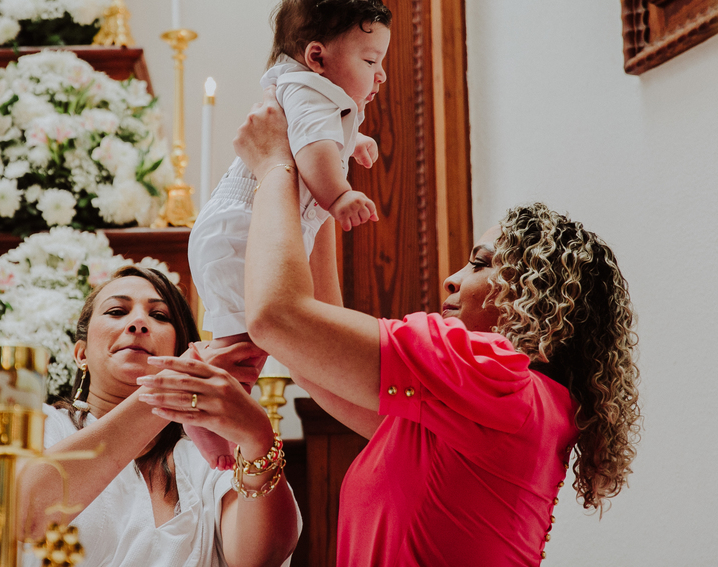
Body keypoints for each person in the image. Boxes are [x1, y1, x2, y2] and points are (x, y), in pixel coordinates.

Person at [232, 91, 642, 566]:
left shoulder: (495, 377)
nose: (453, 277)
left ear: (536, 296)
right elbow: (313, 363)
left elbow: (276, 317)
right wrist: (321, 183)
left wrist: (274, 166)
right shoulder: (510, 408)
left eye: (480, 264)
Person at [186, 0, 390, 467]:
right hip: (243, 229)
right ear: (317, 57)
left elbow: (319, 142)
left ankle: (205, 403)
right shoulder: (310, 93)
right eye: (370, 61)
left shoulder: (311, 94)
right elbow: (315, 150)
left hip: (240, 230)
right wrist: (340, 196)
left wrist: (353, 142)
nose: (380, 75)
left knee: (251, 342)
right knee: (249, 341)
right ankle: (201, 402)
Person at [16, 265, 299, 567]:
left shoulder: (209, 457)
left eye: (159, 316)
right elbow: (21, 515)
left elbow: (261, 557)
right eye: (116, 311)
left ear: (180, 349)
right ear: (81, 354)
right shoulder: (39, 426)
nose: (138, 322)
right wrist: (171, 389)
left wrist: (257, 436)